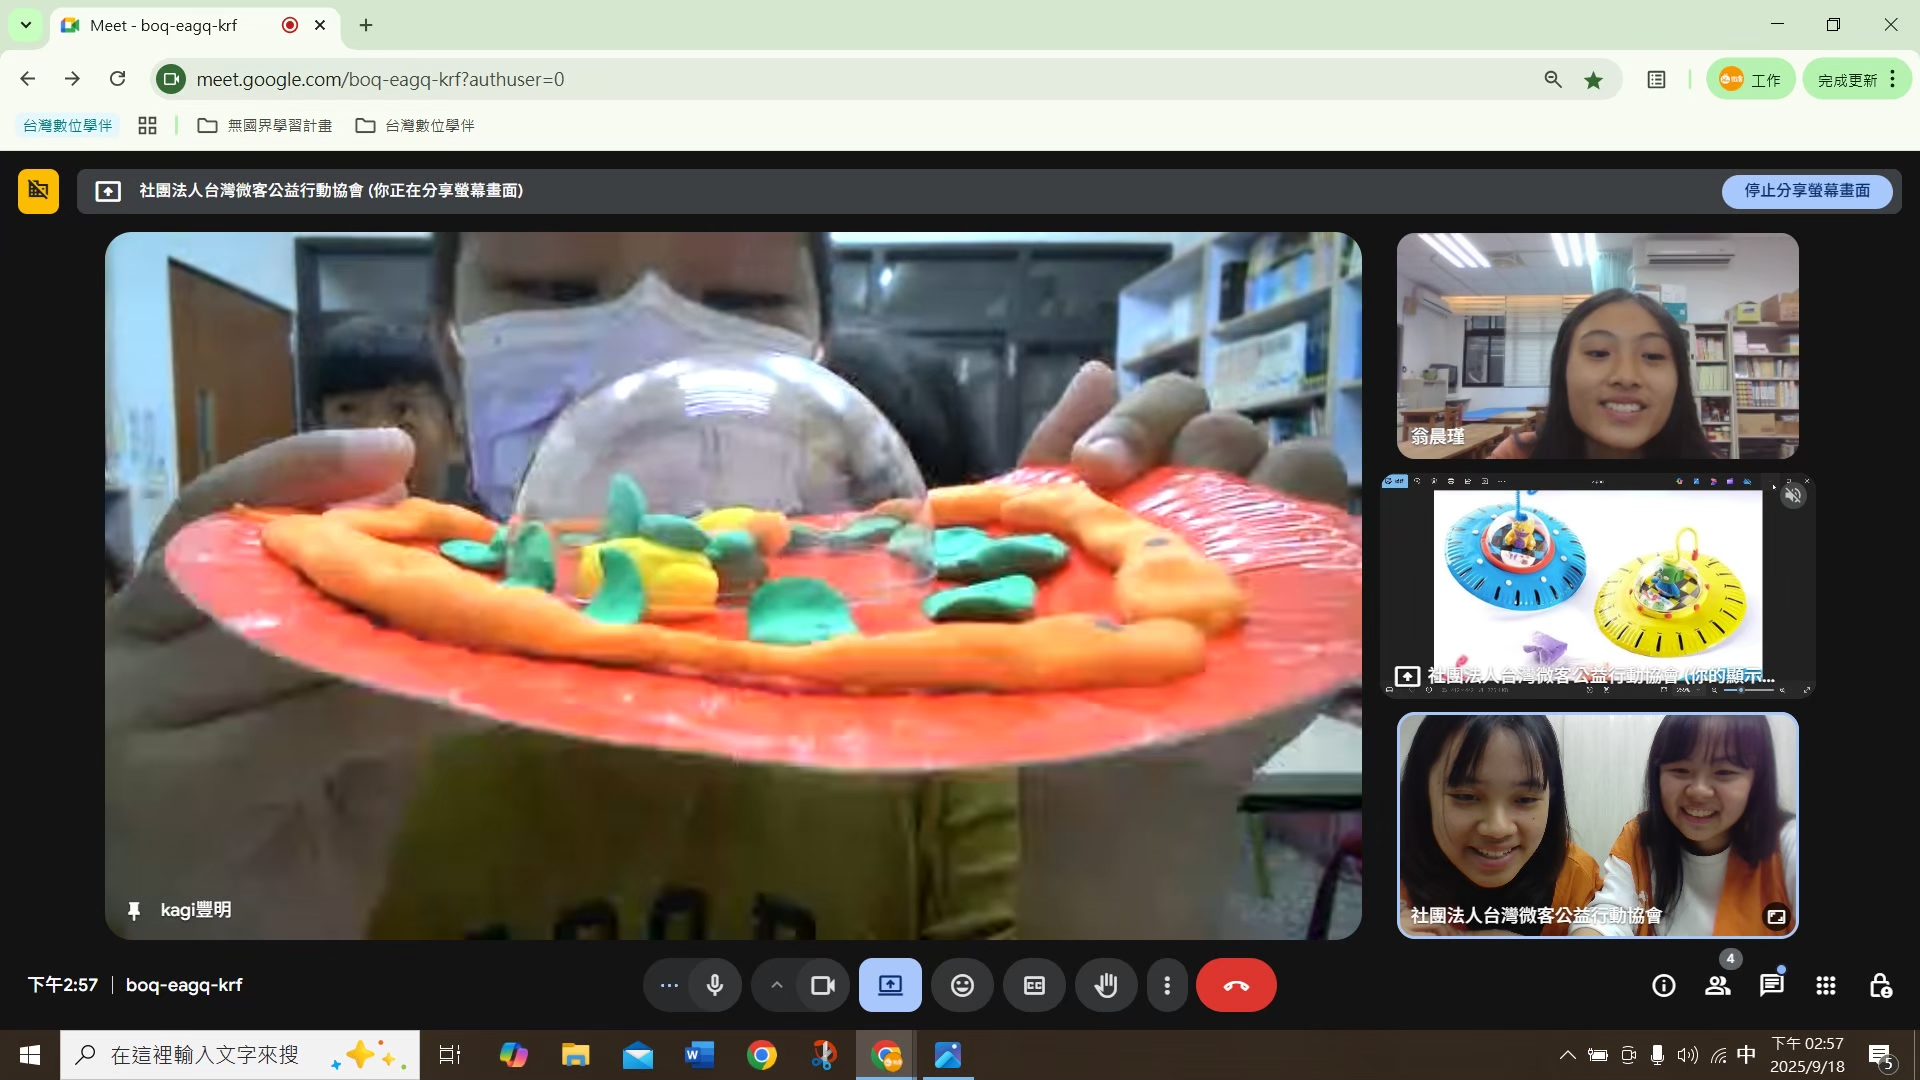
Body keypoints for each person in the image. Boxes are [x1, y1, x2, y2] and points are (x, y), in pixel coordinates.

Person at [105, 231, 1349, 940]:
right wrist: (173, 918)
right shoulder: (297, 692)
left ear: (818, 355)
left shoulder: (950, 692)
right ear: (451, 346)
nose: (649, 342)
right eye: (553, 288)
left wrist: (1130, 803)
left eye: (740, 298)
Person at [1573, 715, 1796, 937]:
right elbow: (1607, 915)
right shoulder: (1641, 838)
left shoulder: (1789, 844)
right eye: (1680, 770)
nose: (1699, 791)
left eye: (1724, 772)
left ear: (1757, 779)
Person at [1398, 714, 1600, 937]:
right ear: (1422, 794)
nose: (1497, 829)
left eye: (1525, 799)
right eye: (1466, 796)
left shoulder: (1577, 880)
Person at [1489, 289, 1718, 460]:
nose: (1626, 377)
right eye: (1598, 353)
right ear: (1563, 370)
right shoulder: (1517, 456)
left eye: (1652, 355)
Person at [306, 315, 469, 505]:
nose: (377, 438)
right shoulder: (288, 523)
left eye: (403, 409)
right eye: (348, 411)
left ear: (454, 432)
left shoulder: (489, 522)